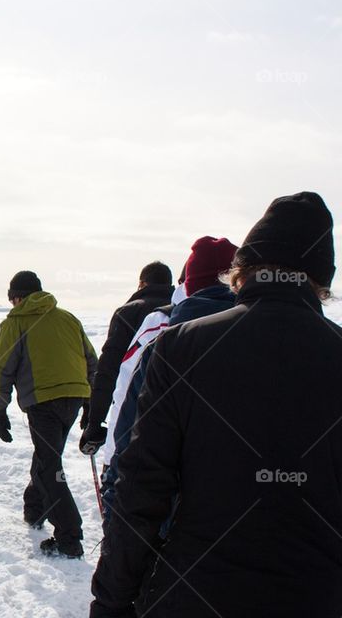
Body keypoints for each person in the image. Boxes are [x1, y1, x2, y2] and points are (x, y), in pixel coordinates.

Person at [90, 192, 342, 617]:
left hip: (193, 594)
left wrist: (111, 601)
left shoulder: (181, 346)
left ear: (241, 271)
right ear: (320, 282)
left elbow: (141, 492)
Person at [91, 236, 239, 525]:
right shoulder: (260, 332)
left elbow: (120, 388)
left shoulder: (160, 325)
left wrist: (112, 472)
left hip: (160, 491)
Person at [0, 271, 98, 558]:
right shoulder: (67, 318)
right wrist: (91, 403)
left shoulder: (15, 323)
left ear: (18, 297)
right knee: (47, 456)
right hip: (74, 398)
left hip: (43, 402)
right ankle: (34, 508)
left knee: (50, 466)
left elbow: (2, 368)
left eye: (12, 299)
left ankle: (69, 536)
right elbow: (91, 360)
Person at [80, 262, 174, 453]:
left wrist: (95, 420)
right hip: (173, 412)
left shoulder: (129, 311)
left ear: (141, 283)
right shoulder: (181, 309)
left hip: (131, 410)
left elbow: (108, 369)